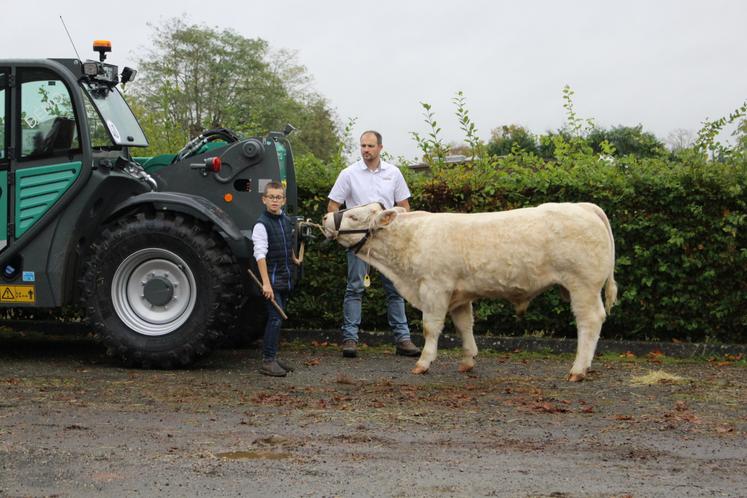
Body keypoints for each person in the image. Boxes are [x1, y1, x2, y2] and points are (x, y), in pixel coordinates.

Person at [327, 130, 421, 358]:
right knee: (354, 288)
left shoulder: (394, 173)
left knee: (396, 290)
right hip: (358, 242)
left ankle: (403, 339)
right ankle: (350, 339)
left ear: (380, 147)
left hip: (387, 241)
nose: (366, 150)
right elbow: (333, 207)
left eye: (370, 146)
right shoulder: (348, 174)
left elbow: (405, 207)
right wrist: (346, 233)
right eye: (363, 146)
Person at [252, 181, 300, 377]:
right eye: (271, 197)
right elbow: (260, 255)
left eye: (278, 197)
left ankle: (273, 356)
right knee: (275, 318)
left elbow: (286, 243)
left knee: (277, 319)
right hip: (271, 281)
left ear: (284, 200)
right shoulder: (261, 225)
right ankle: (268, 361)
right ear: (264, 200)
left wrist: (294, 258)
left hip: (284, 278)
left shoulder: (285, 220)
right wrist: (266, 283)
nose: (275, 201)